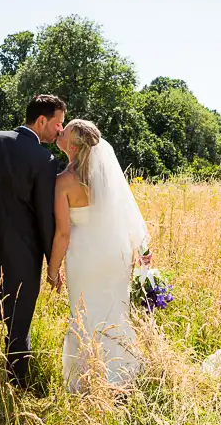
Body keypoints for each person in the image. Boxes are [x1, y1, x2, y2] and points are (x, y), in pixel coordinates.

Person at [0, 94, 65, 389]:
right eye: (58, 124)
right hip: (23, 255)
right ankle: (16, 386)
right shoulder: (45, 159)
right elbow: (45, 217)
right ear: (41, 120)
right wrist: (51, 262)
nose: (59, 131)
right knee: (18, 323)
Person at [47, 119, 151, 392]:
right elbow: (125, 215)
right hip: (113, 254)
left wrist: (52, 269)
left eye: (65, 130)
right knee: (114, 309)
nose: (60, 131)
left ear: (72, 145)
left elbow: (63, 234)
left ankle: (85, 379)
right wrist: (139, 251)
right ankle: (122, 373)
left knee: (84, 311)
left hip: (84, 257)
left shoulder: (64, 182)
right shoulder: (107, 178)